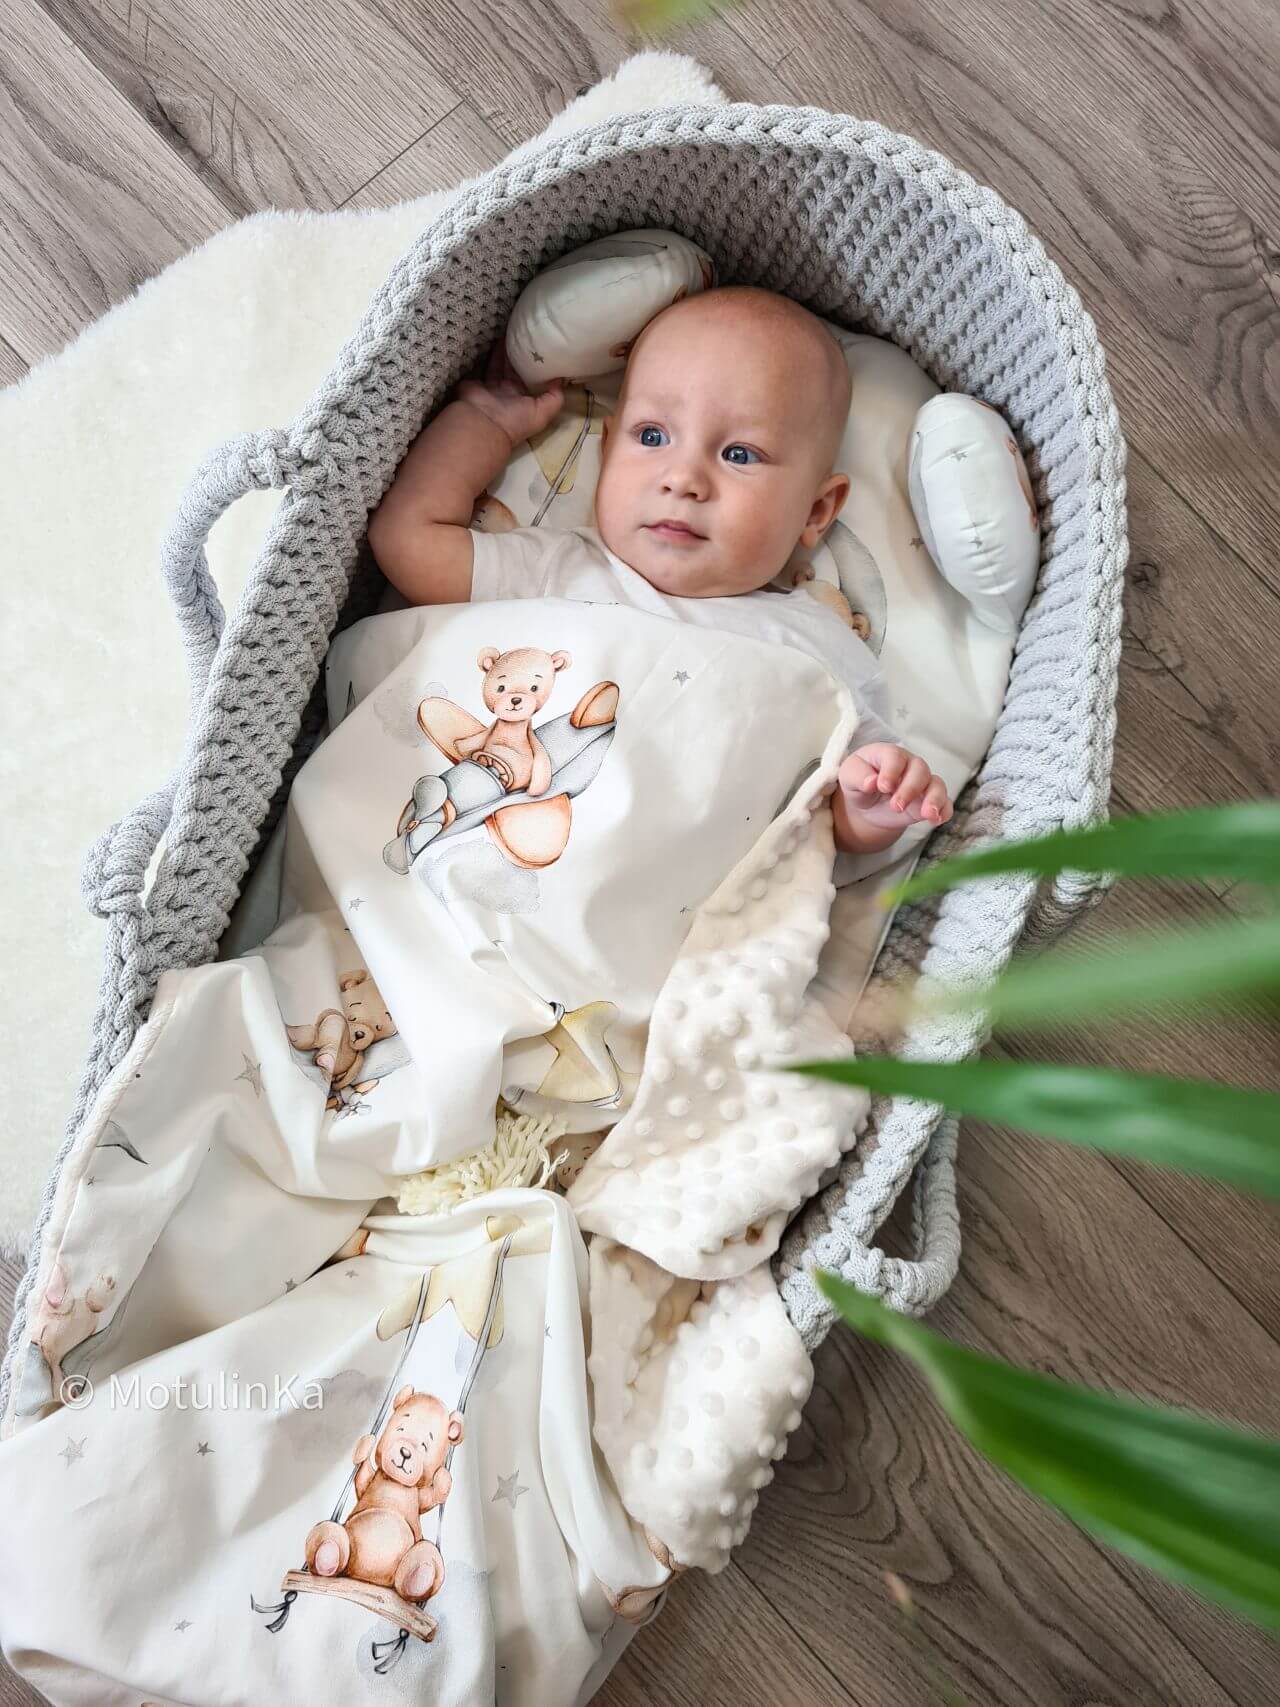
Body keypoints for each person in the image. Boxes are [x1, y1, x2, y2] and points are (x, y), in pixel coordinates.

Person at [368, 284, 952, 859]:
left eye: (739, 454)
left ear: (815, 511)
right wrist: (486, 425)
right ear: (606, 453)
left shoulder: (817, 648)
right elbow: (407, 540)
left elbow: (841, 823)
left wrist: (873, 808)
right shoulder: (554, 569)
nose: (683, 478)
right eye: (652, 436)